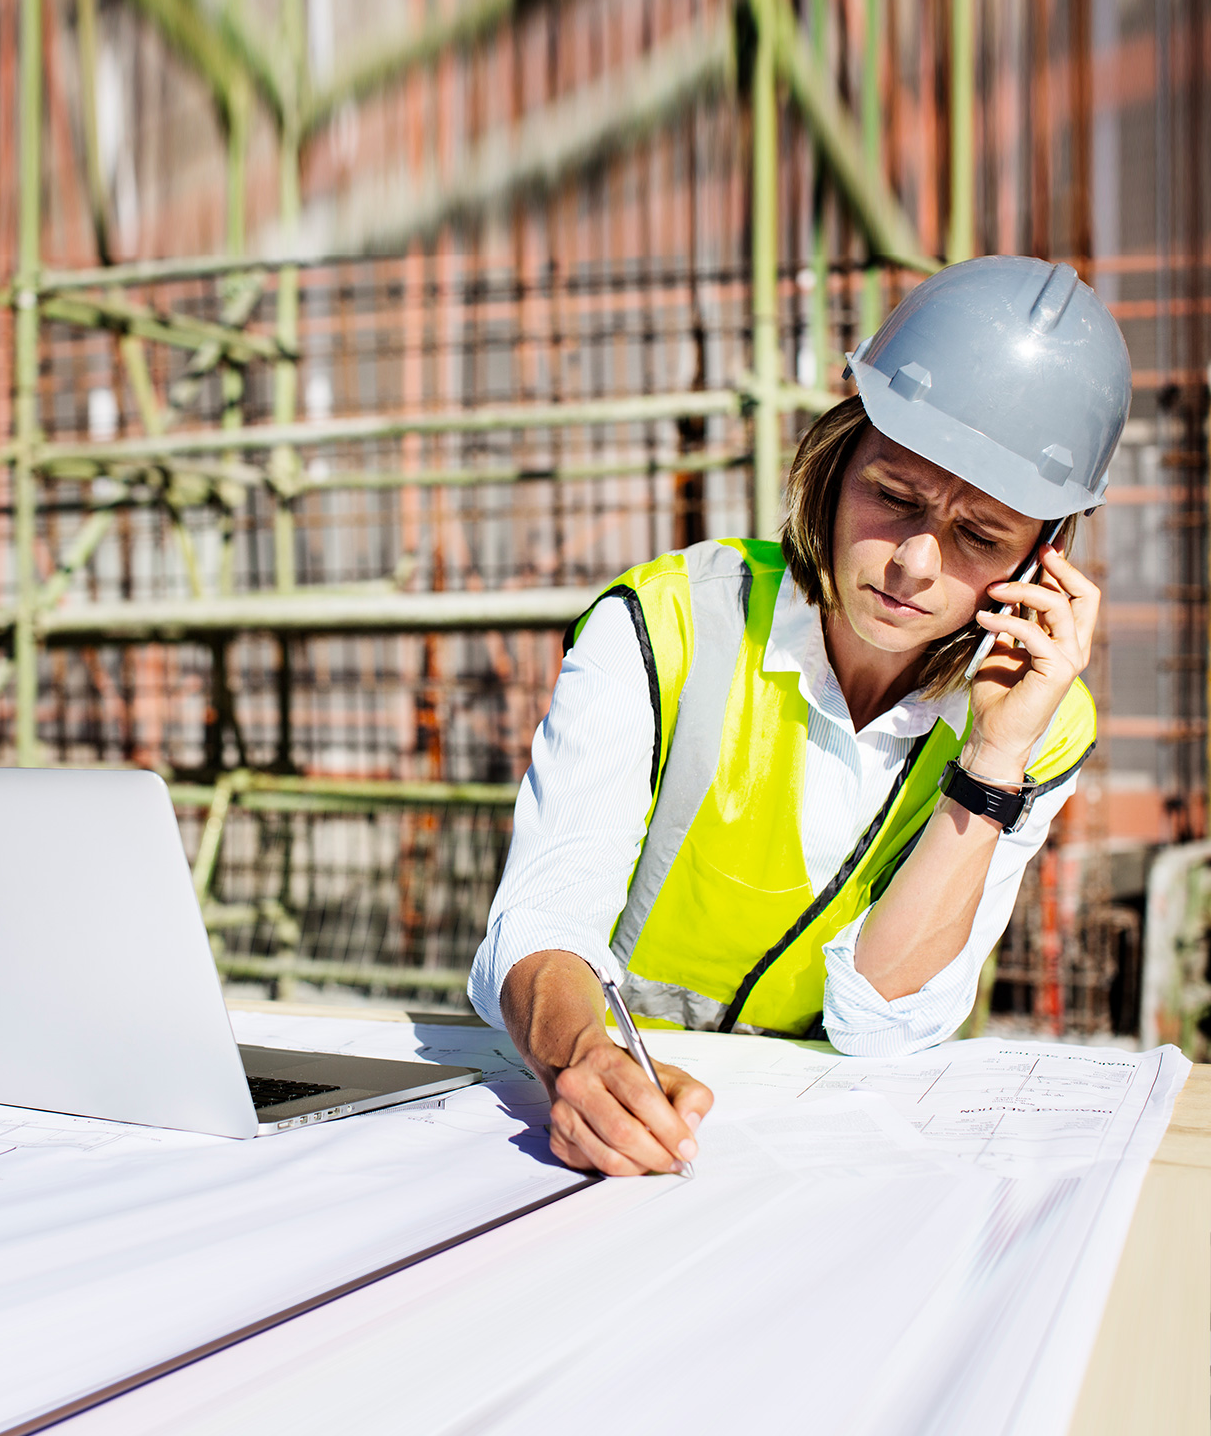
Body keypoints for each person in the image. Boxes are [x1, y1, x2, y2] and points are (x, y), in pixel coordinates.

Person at [468, 255, 1132, 1178]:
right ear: (836, 457)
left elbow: (881, 1025)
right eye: (892, 498)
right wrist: (582, 1059)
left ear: (1042, 561)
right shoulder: (669, 622)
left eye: (981, 537)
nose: (914, 564)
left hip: (822, 1157)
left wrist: (989, 768)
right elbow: (541, 917)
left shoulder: (1040, 723)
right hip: (603, 1112)